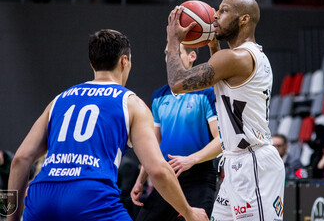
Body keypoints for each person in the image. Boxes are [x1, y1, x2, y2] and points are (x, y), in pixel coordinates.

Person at [7, 29, 208, 221]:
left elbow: (20, 159)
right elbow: (157, 169)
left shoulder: (58, 100)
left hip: (42, 198)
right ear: (124, 61)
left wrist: (9, 218)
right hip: (90, 197)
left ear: (92, 63)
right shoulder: (131, 103)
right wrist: (188, 212)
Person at [165, 0, 285, 220]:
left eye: (224, 10)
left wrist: (173, 40)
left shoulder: (237, 58)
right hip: (235, 162)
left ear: (244, 19)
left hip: (253, 164)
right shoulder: (245, 56)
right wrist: (213, 46)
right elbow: (223, 79)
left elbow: (177, 83)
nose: (216, 15)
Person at [131, 44, 221, 221]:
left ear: (192, 56)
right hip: (168, 179)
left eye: (176, 53)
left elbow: (222, 140)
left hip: (199, 177)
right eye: (166, 54)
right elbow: (154, 144)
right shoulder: (159, 96)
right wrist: (141, 179)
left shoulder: (207, 93)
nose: (169, 58)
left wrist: (191, 159)